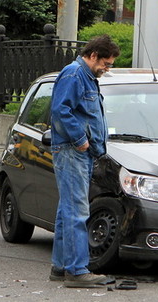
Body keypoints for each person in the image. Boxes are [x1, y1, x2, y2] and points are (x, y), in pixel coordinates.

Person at [48, 34, 120, 288]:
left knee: (66, 210)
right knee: (77, 210)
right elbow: (60, 110)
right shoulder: (75, 74)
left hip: (78, 152)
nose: (106, 69)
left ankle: (61, 266)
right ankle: (77, 270)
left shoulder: (86, 76)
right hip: (72, 151)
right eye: (106, 64)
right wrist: (81, 141)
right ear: (93, 56)